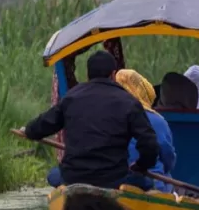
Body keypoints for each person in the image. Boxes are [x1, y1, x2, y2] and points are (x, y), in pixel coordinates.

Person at [22, 50, 160, 191]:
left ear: (88, 75)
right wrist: (141, 166)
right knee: (147, 183)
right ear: (113, 75)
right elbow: (149, 144)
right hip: (114, 179)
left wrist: (28, 130)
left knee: (53, 175)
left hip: (73, 177)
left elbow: (42, 125)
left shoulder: (71, 98)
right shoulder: (129, 102)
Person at [115, 69, 177, 193]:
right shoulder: (158, 121)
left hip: (114, 183)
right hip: (153, 185)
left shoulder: (109, 116)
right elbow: (168, 159)